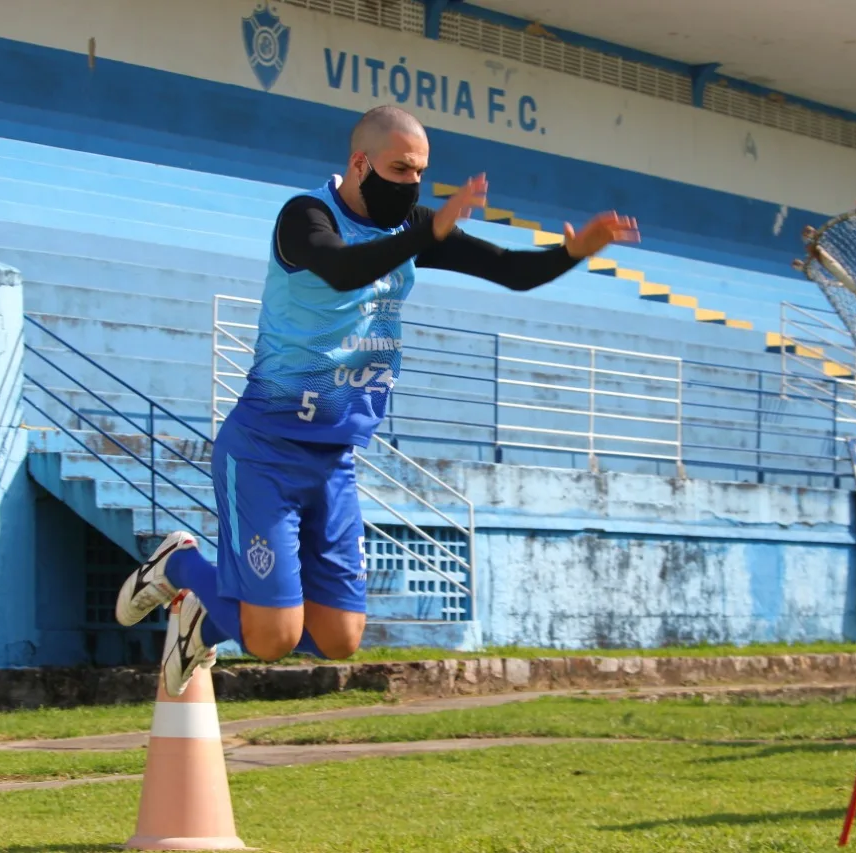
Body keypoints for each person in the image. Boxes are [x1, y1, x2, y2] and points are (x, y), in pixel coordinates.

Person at [114, 105, 639, 696]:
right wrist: (425, 233)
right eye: (400, 169)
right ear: (360, 163)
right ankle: (180, 564)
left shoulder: (411, 228)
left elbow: (511, 271)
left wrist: (575, 252)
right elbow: (341, 268)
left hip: (334, 456)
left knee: (339, 639)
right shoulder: (305, 215)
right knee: (272, 639)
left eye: (421, 174)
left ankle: (205, 615)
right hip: (265, 447)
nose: (413, 185)